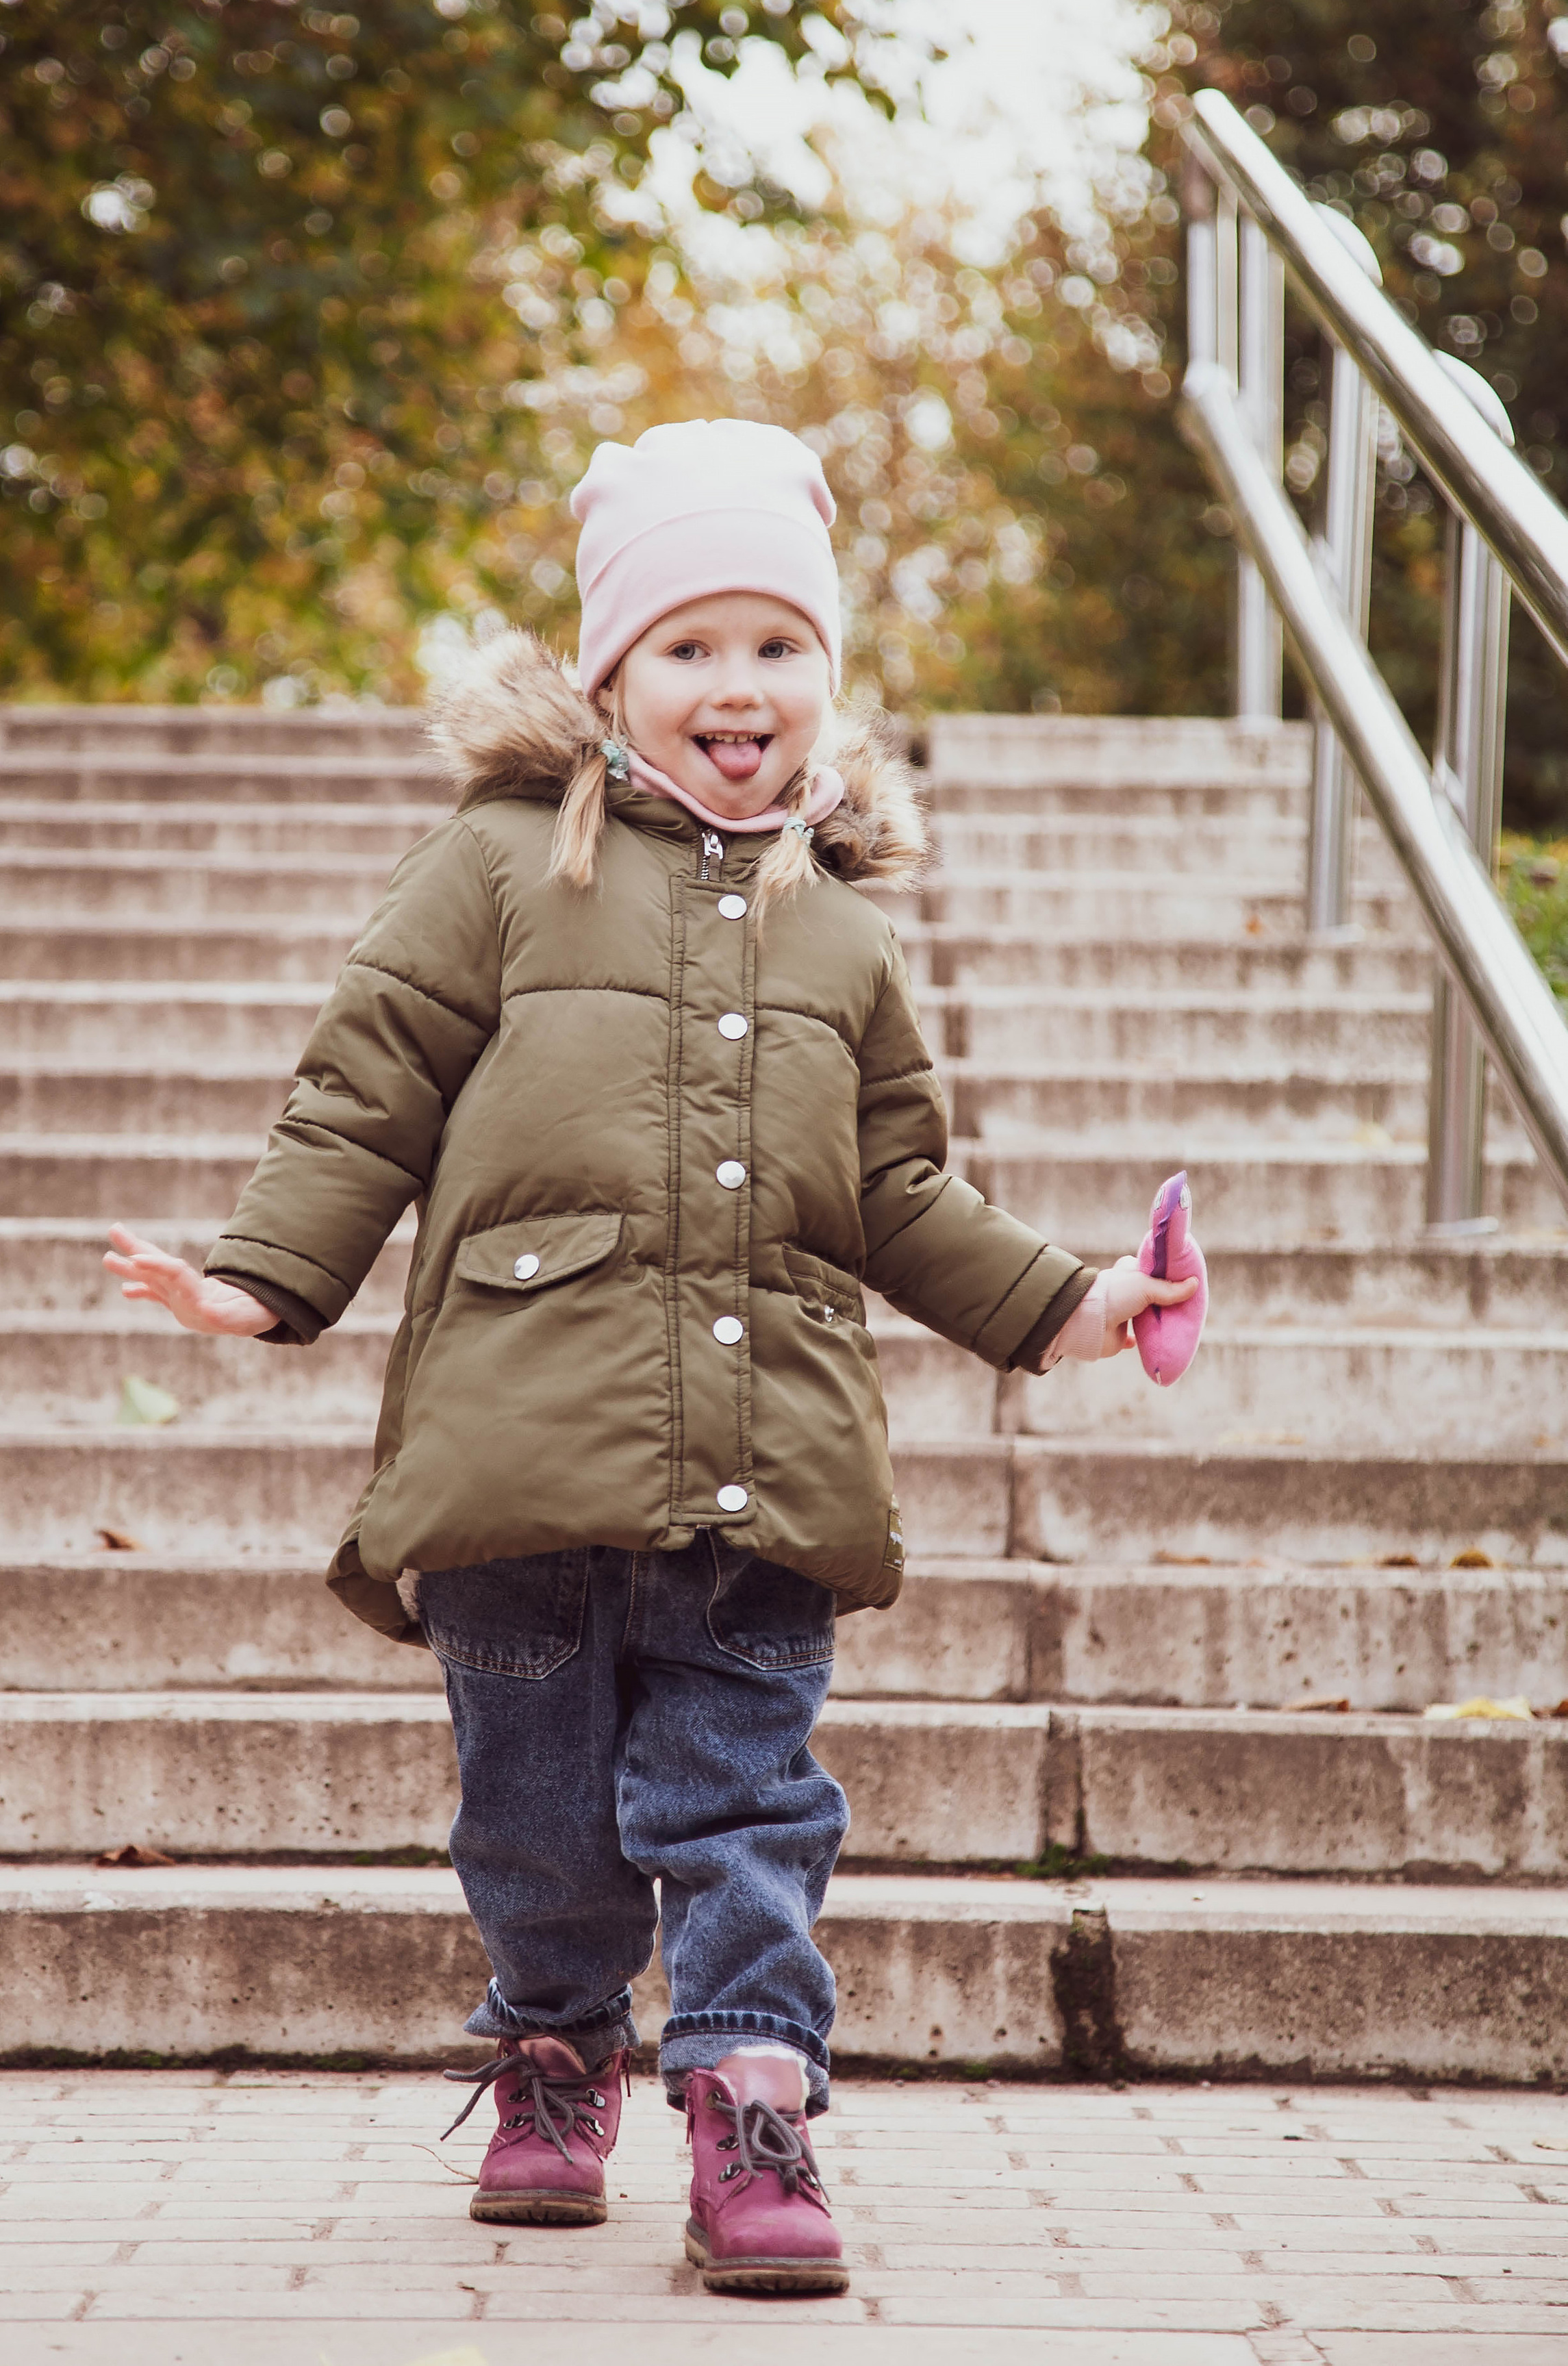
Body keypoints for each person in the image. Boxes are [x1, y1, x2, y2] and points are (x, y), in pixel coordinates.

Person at [105, 418, 1194, 2300]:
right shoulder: (503, 866)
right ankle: (552, 2049)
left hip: (762, 1461)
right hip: (518, 1449)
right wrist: (266, 1280)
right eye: (689, 646)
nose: (736, 686)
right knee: (537, 1815)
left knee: (747, 1801)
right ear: (612, 677)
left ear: (828, 680)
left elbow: (905, 1188)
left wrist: (1074, 1303)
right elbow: (366, 1096)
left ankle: (754, 2103)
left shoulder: (842, 929)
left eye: (777, 645)